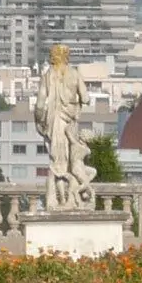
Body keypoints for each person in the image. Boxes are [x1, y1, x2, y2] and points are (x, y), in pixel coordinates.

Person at [34, 44, 96, 211]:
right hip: (70, 123)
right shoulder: (75, 74)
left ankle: (60, 199)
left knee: (58, 162)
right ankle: (69, 199)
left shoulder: (48, 75)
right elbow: (86, 97)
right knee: (71, 162)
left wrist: (38, 121)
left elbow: (40, 104)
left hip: (55, 123)